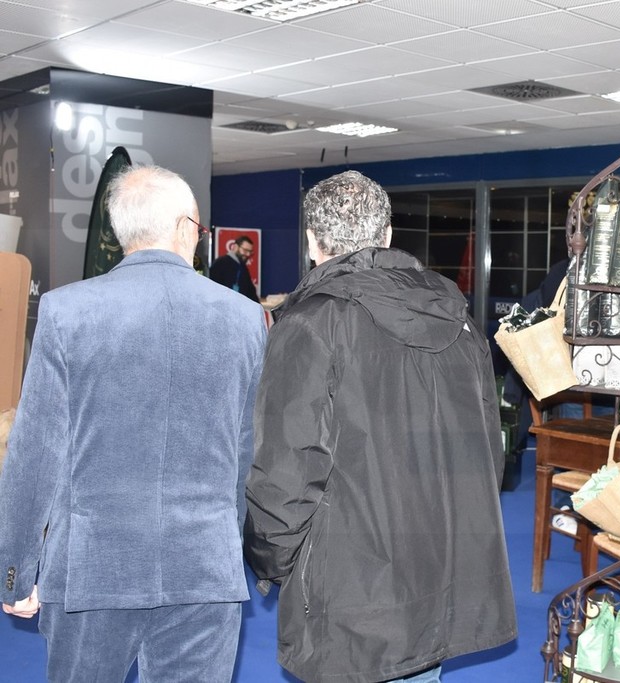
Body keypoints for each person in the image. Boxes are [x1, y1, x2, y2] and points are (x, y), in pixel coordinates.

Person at [244, 170, 517, 683]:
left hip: (351, 585)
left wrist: (269, 558)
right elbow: (488, 449)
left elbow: (287, 468)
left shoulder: (309, 325)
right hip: (440, 564)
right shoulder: (458, 320)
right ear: (388, 235)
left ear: (311, 242)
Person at [0, 165, 267, 682]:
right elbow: (246, 454)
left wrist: (15, 568)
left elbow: (34, 456)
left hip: (91, 574)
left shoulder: (67, 312)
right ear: (185, 227)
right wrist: (231, 549)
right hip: (204, 571)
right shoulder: (242, 318)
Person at [211, 234, 259, 301]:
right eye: (245, 250)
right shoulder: (220, 263)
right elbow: (212, 289)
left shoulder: (243, 268)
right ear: (235, 247)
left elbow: (251, 292)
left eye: (250, 252)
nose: (248, 254)